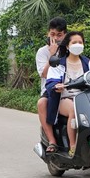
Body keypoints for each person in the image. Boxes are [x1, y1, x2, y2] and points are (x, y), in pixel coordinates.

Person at [44, 31, 90, 156]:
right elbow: (50, 82)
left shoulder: (87, 63)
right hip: (65, 98)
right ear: (67, 46)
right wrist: (56, 86)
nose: (78, 45)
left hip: (85, 97)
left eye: (80, 42)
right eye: (74, 42)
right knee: (74, 110)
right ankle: (73, 145)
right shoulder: (59, 63)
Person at [35, 17, 67, 149]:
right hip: (49, 89)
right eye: (52, 34)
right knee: (41, 103)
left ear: (65, 35)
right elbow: (44, 74)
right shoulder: (42, 52)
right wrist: (52, 55)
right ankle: (52, 140)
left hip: (69, 88)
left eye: (59, 35)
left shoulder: (69, 50)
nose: (56, 38)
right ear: (48, 34)